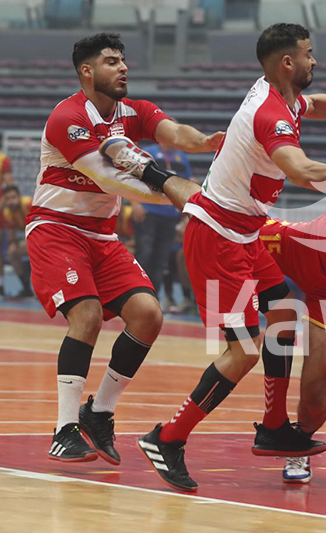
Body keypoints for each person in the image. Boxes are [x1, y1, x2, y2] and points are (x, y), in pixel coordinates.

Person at [133, 23, 326, 492]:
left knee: (281, 311)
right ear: (287, 62)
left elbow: (314, 105)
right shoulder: (269, 112)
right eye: (309, 54)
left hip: (245, 233)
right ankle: (167, 438)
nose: (315, 61)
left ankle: (275, 427)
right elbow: (299, 170)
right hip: (217, 236)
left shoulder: (284, 96)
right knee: (244, 352)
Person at [27, 33, 223, 465]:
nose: (123, 67)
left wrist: (208, 142)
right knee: (88, 314)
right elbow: (111, 180)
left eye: (123, 60)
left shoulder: (132, 111)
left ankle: (98, 413)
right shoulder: (67, 117)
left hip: (101, 234)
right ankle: (64, 429)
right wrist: (175, 190)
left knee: (149, 314)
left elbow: (175, 132)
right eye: (112, 61)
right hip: (56, 229)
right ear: (87, 71)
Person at [130, 143, 192, 304]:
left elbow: (185, 184)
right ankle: (134, 295)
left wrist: (184, 215)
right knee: (144, 254)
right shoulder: (148, 152)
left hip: (170, 215)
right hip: (148, 212)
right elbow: (131, 178)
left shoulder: (181, 157)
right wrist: (134, 203)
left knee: (161, 259)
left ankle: (153, 298)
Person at [1, 184, 33, 298]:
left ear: (19, 196)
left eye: (13, 197)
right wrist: (13, 244)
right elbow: (11, 236)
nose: (11, 201)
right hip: (30, 240)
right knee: (12, 252)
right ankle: (26, 288)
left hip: (43, 238)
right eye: (8, 199)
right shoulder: (7, 213)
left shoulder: (29, 203)